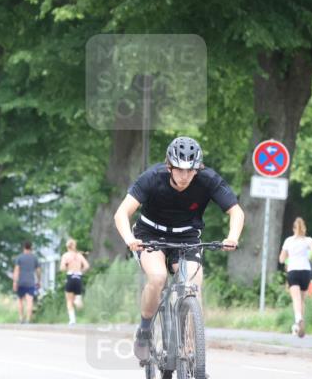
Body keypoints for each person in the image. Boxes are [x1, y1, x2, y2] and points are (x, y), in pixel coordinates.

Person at [113, 136, 244, 362]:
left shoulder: (208, 180)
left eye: (190, 171)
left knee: (193, 285)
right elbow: (122, 213)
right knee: (157, 277)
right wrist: (128, 239)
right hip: (150, 234)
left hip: (187, 236)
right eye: (179, 170)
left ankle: (190, 351)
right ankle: (144, 330)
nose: (185, 176)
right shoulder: (153, 178)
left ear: (198, 168)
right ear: (169, 166)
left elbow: (236, 211)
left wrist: (232, 236)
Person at [279, 217, 312, 338]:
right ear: (304, 228)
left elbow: (281, 259)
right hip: (306, 271)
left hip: (293, 270)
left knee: (295, 299)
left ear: (293, 228)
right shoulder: (308, 240)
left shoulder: (289, 241)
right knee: (302, 299)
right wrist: (310, 257)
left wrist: (287, 259)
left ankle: (298, 319)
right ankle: (299, 323)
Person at [59, 238, 90, 325]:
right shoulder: (79, 255)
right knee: (77, 295)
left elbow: (62, 268)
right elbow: (87, 265)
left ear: (67, 247)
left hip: (70, 276)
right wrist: (81, 270)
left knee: (69, 300)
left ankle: (72, 320)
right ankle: (78, 299)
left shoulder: (66, 255)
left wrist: (67, 267)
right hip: (78, 277)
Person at [13, 241, 40, 324]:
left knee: (20, 300)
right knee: (30, 301)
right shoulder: (34, 258)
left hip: (21, 282)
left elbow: (17, 270)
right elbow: (38, 271)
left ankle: (21, 318)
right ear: (31, 247)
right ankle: (28, 319)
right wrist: (39, 280)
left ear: (23, 247)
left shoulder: (19, 258)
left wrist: (15, 282)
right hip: (30, 282)